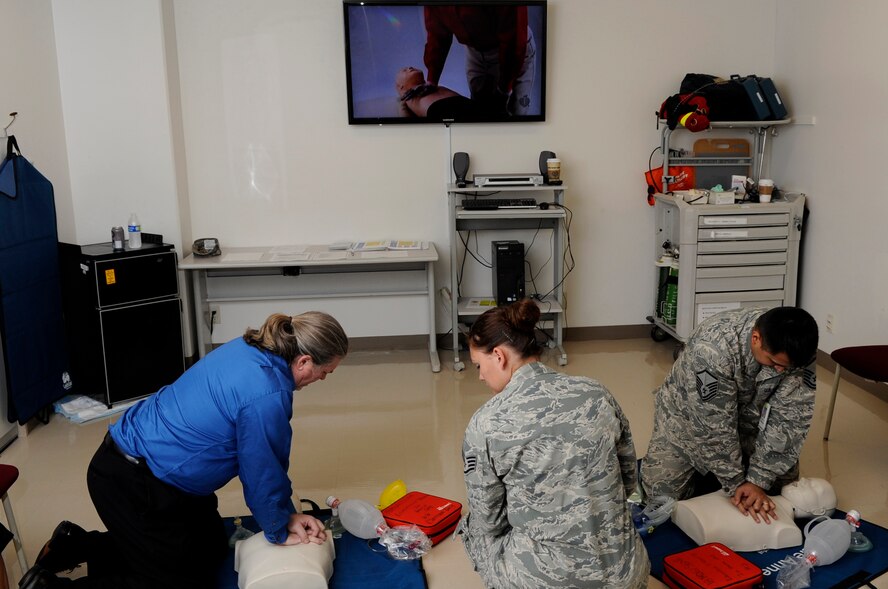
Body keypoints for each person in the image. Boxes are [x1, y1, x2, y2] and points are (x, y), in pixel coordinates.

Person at [21, 311, 349, 589]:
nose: (321, 379)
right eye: (325, 372)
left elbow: (263, 465)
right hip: (133, 481)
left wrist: (283, 515)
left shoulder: (253, 348)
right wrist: (280, 527)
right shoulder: (267, 394)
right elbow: (261, 469)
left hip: (163, 474)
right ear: (305, 360)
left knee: (209, 548)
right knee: (175, 582)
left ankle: (73, 544)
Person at [458, 299, 649, 588]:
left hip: (547, 580)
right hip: (626, 575)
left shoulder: (486, 422)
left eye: (478, 366)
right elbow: (628, 480)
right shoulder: (596, 392)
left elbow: (490, 521)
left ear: (499, 356)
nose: (481, 376)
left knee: (474, 530)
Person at [641, 306, 818, 525]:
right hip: (687, 420)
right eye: (774, 363)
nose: (780, 370)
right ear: (756, 339)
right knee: (660, 501)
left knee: (785, 496)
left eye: (786, 367)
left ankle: (732, 472)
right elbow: (712, 426)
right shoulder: (713, 349)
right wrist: (736, 483)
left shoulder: (798, 349)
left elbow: (790, 417)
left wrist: (758, 481)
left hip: (751, 422)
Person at [423, 5, 537, 116]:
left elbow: (513, 40)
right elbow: (436, 31)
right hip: (474, 52)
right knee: (479, 113)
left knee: (514, 113)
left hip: (512, 49)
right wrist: (431, 79)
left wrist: (504, 88)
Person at [395, 66, 484, 121]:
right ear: (400, 86)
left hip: (473, 108)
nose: (410, 67)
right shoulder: (408, 98)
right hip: (446, 113)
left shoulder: (434, 87)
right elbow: (407, 122)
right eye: (404, 70)